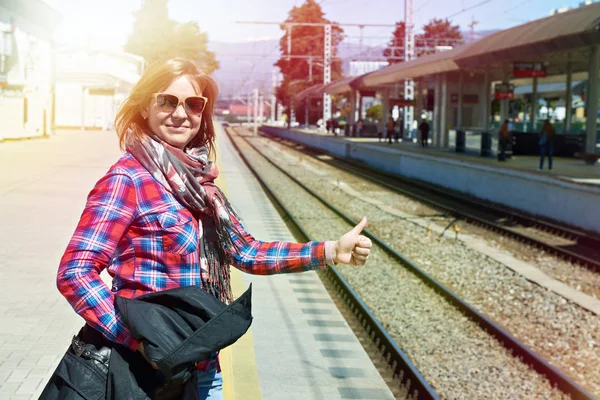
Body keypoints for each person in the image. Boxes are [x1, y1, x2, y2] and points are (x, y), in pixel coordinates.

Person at [54, 58, 372, 399]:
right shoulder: (127, 179)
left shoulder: (203, 186)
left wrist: (328, 251)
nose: (180, 113)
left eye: (193, 104)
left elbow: (246, 251)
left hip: (203, 369)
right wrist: (137, 342)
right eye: (167, 101)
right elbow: (75, 272)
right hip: (142, 374)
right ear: (145, 106)